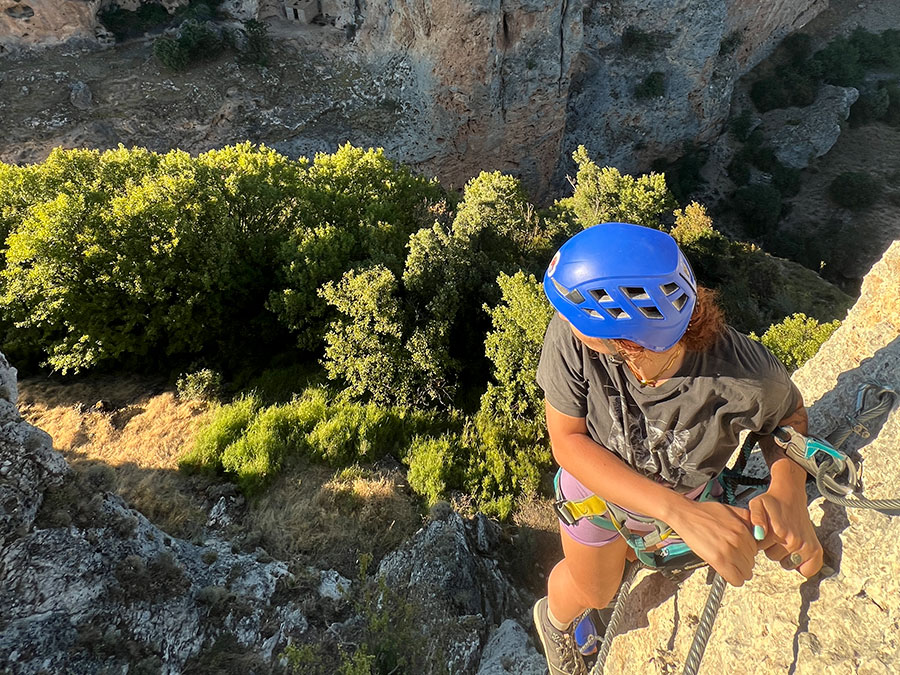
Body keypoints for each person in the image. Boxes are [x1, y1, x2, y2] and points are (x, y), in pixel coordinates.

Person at [531, 222, 823, 675]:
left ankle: (630, 551)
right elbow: (567, 441)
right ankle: (555, 622)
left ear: (627, 344)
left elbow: (788, 416)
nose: (565, 320)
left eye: (578, 320)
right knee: (597, 592)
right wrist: (680, 514)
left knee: (627, 560)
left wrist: (789, 491)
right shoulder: (571, 337)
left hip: (681, 498)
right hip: (598, 492)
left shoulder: (744, 378)